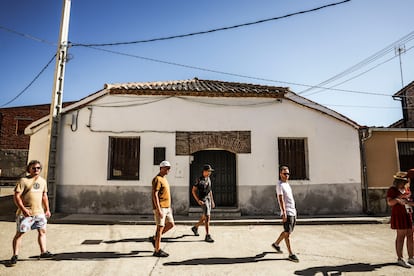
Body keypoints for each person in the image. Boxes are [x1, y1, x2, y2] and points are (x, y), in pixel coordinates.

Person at [10, 160, 53, 266]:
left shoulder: (43, 181)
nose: (36, 170)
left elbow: (44, 196)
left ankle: (43, 252)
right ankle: (15, 255)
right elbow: (17, 196)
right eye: (33, 168)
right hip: (26, 213)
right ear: (29, 169)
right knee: (20, 234)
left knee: (42, 232)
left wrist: (47, 209)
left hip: (39, 213)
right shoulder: (23, 181)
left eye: (38, 168)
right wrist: (23, 209)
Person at [271, 165, 299, 262]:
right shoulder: (280, 185)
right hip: (287, 212)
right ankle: (290, 254)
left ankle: (276, 244)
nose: (286, 175)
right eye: (284, 173)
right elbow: (281, 199)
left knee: (288, 231)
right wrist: (284, 213)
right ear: (280, 174)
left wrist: (294, 210)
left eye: (288, 173)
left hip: (292, 211)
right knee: (287, 233)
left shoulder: (287, 184)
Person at [387, 171, 414, 268]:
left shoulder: (407, 189)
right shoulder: (392, 190)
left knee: (411, 235)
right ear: (398, 181)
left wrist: (409, 202)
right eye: (403, 181)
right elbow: (390, 202)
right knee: (401, 237)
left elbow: (411, 201)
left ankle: (411, 257)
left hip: (408, 213)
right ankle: (400, 258)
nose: (405, 183)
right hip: (399, 215)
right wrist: (399, 198)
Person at [150, 160, 175, 257]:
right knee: (160, 228)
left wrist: (169, 207)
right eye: (167, 168)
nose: (168, 170)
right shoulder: (157, 179)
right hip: (160, 207)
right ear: (161, 168)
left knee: (171, 224)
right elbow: (154, 194)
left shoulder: (164, 179)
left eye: (169, 168)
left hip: (167, 207)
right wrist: (158, 209)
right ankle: (157, 250)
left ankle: (154, 239)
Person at [191, 164, 215, 243]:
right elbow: (193, 191)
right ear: (204, 171)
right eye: (208, 171)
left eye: (210, 171)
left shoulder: (208, 179)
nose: (210, 173)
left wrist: (212, 201)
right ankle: (207, 235)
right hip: (203, 200)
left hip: (208, 199)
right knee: (207, 216)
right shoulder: (199, 179)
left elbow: (210, 190)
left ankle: (195, 227)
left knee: (205, 216)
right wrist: (198, 200)